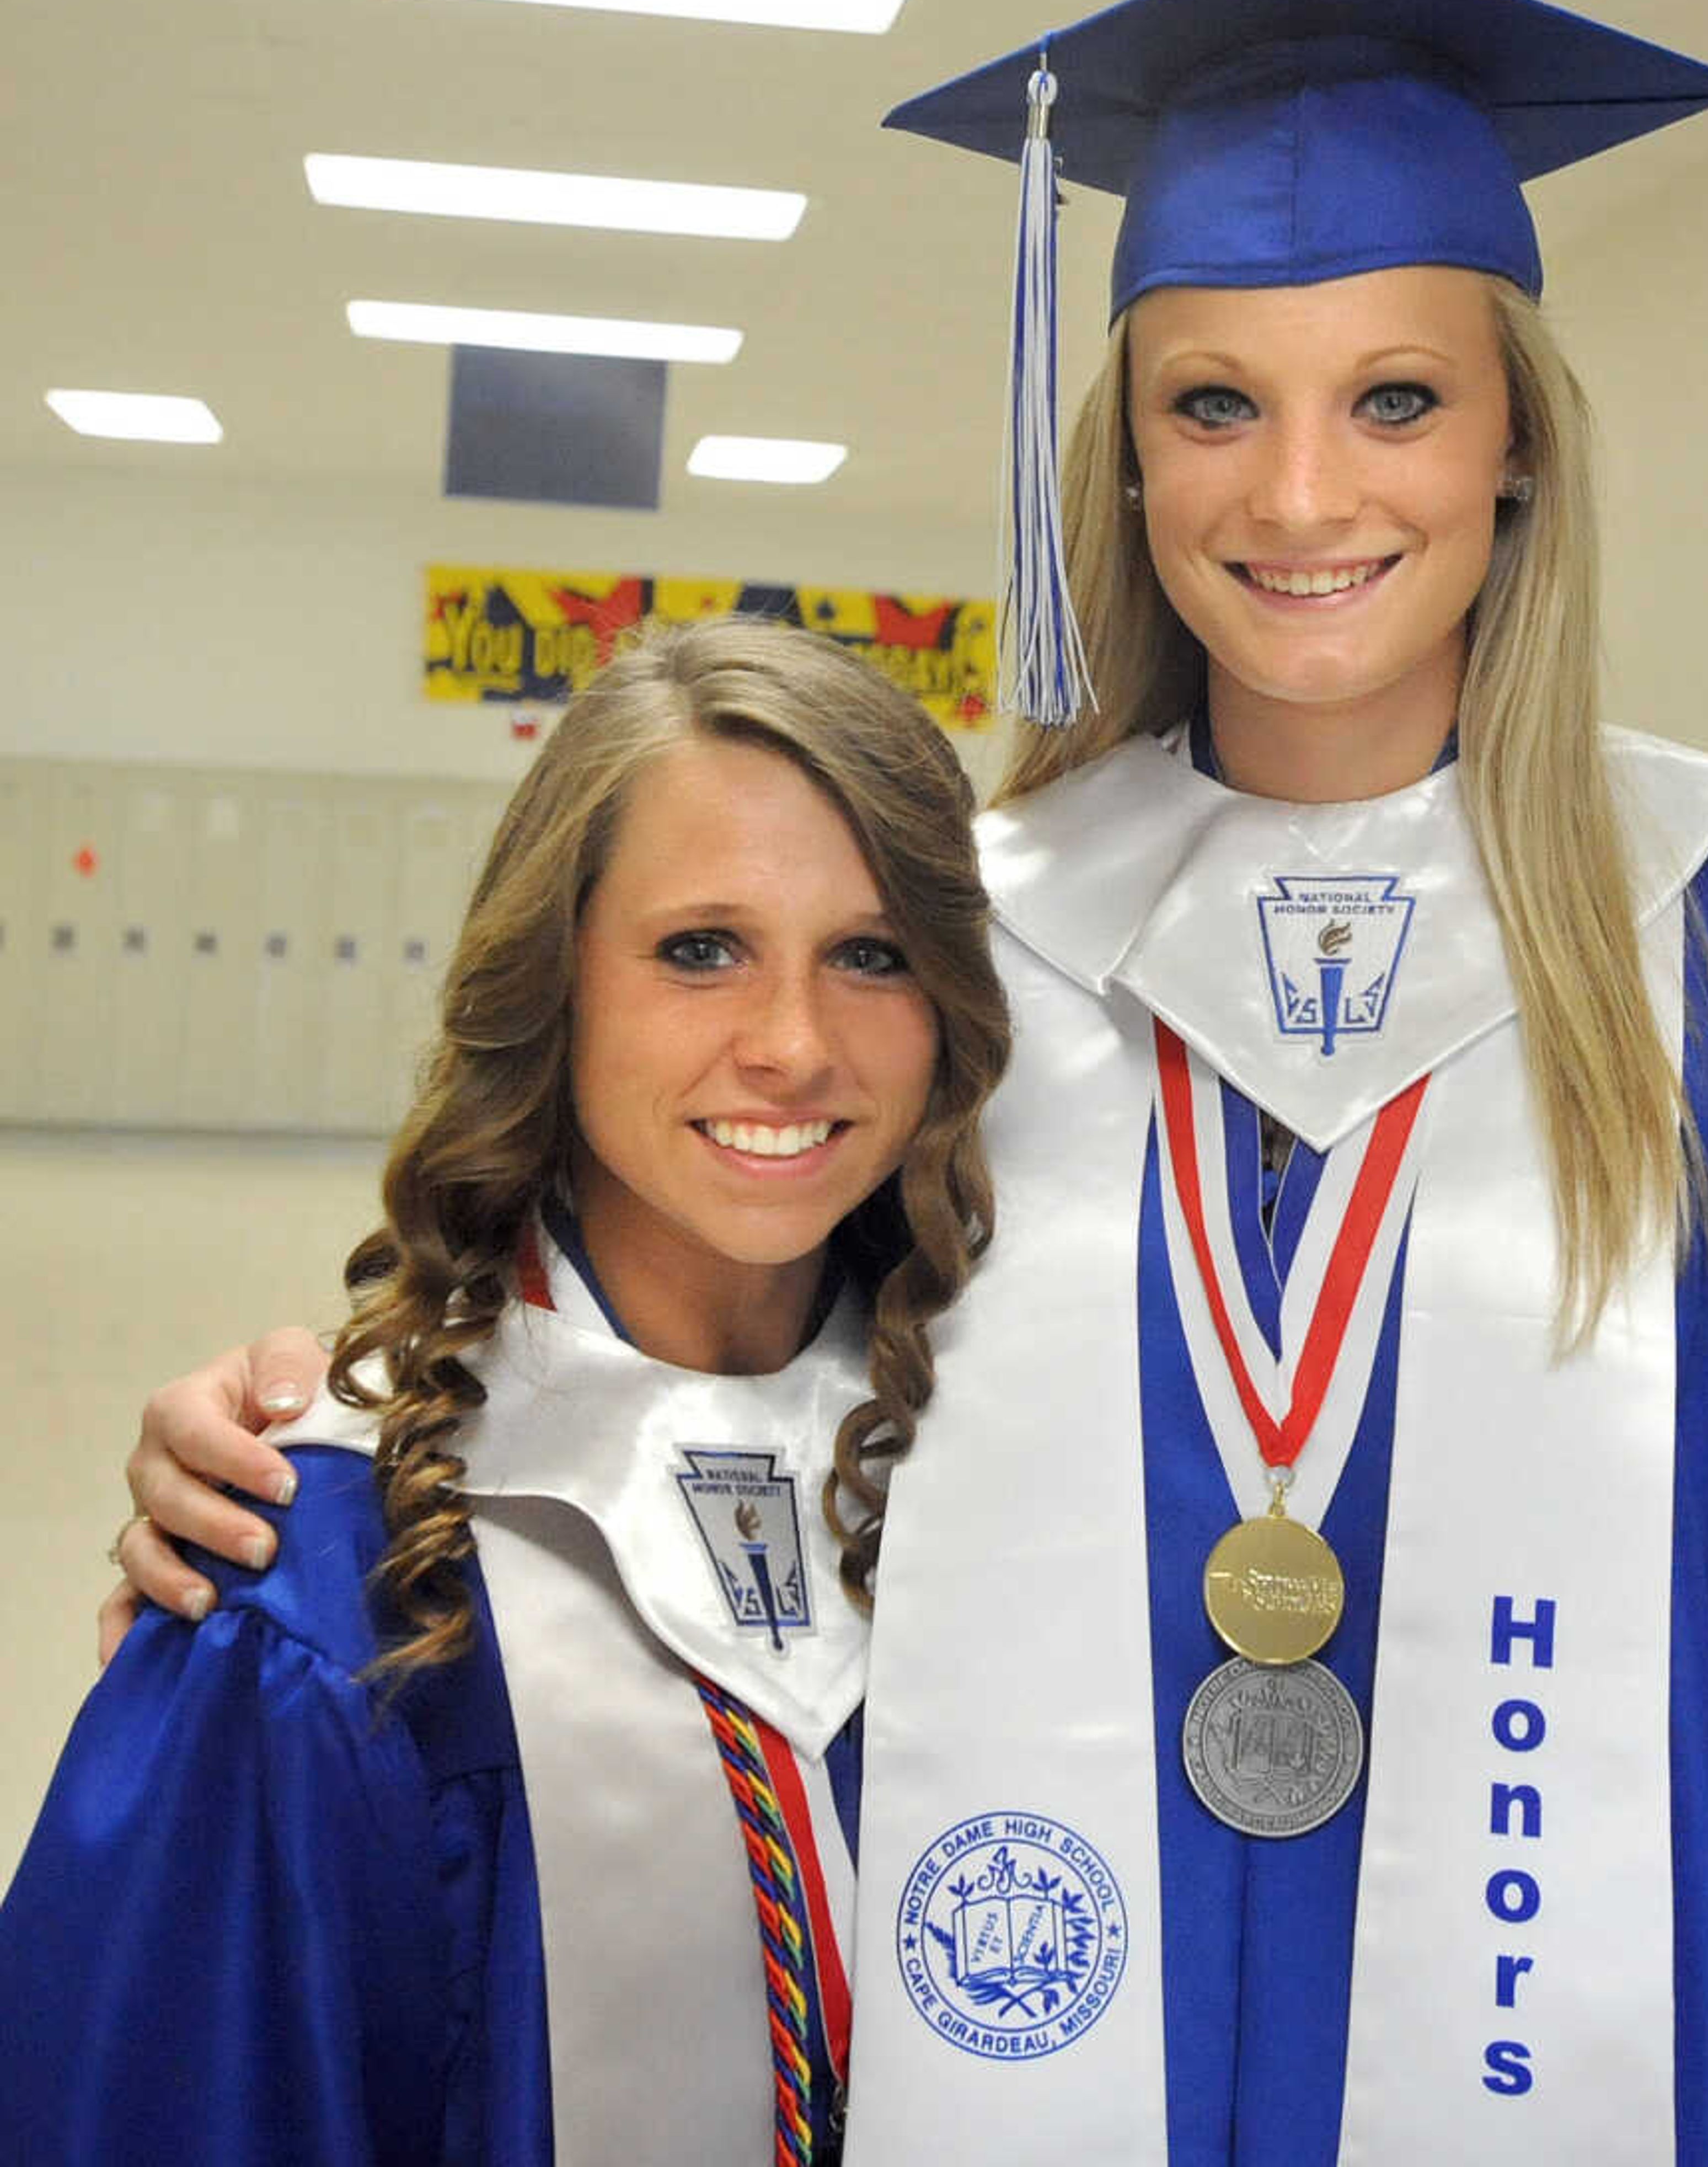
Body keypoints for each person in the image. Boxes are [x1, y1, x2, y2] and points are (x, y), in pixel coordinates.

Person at [95, 0, 1708, 2164]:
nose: (1303, 496)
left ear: (1522, 437)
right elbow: (698, 1386)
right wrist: (309, 1464)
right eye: (1214, 401)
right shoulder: (981, 949)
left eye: (1399, 396)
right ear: (1129, 454)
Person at [2, 619, 1010, 2164]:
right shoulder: (322, 1584)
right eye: (700, 949)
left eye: (871, 955)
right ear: (559, 984)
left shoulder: (1020, 1493)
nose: (794, 1046)